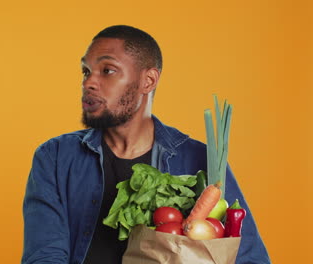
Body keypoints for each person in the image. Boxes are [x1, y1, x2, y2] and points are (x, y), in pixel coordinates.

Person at [22, 25, 270, 264]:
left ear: (148, 81)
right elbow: (44, 255)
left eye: (107, 70)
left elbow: (249, 257)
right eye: (86, 71)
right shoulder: (55, 157)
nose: (89, 83)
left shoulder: (202, 161)